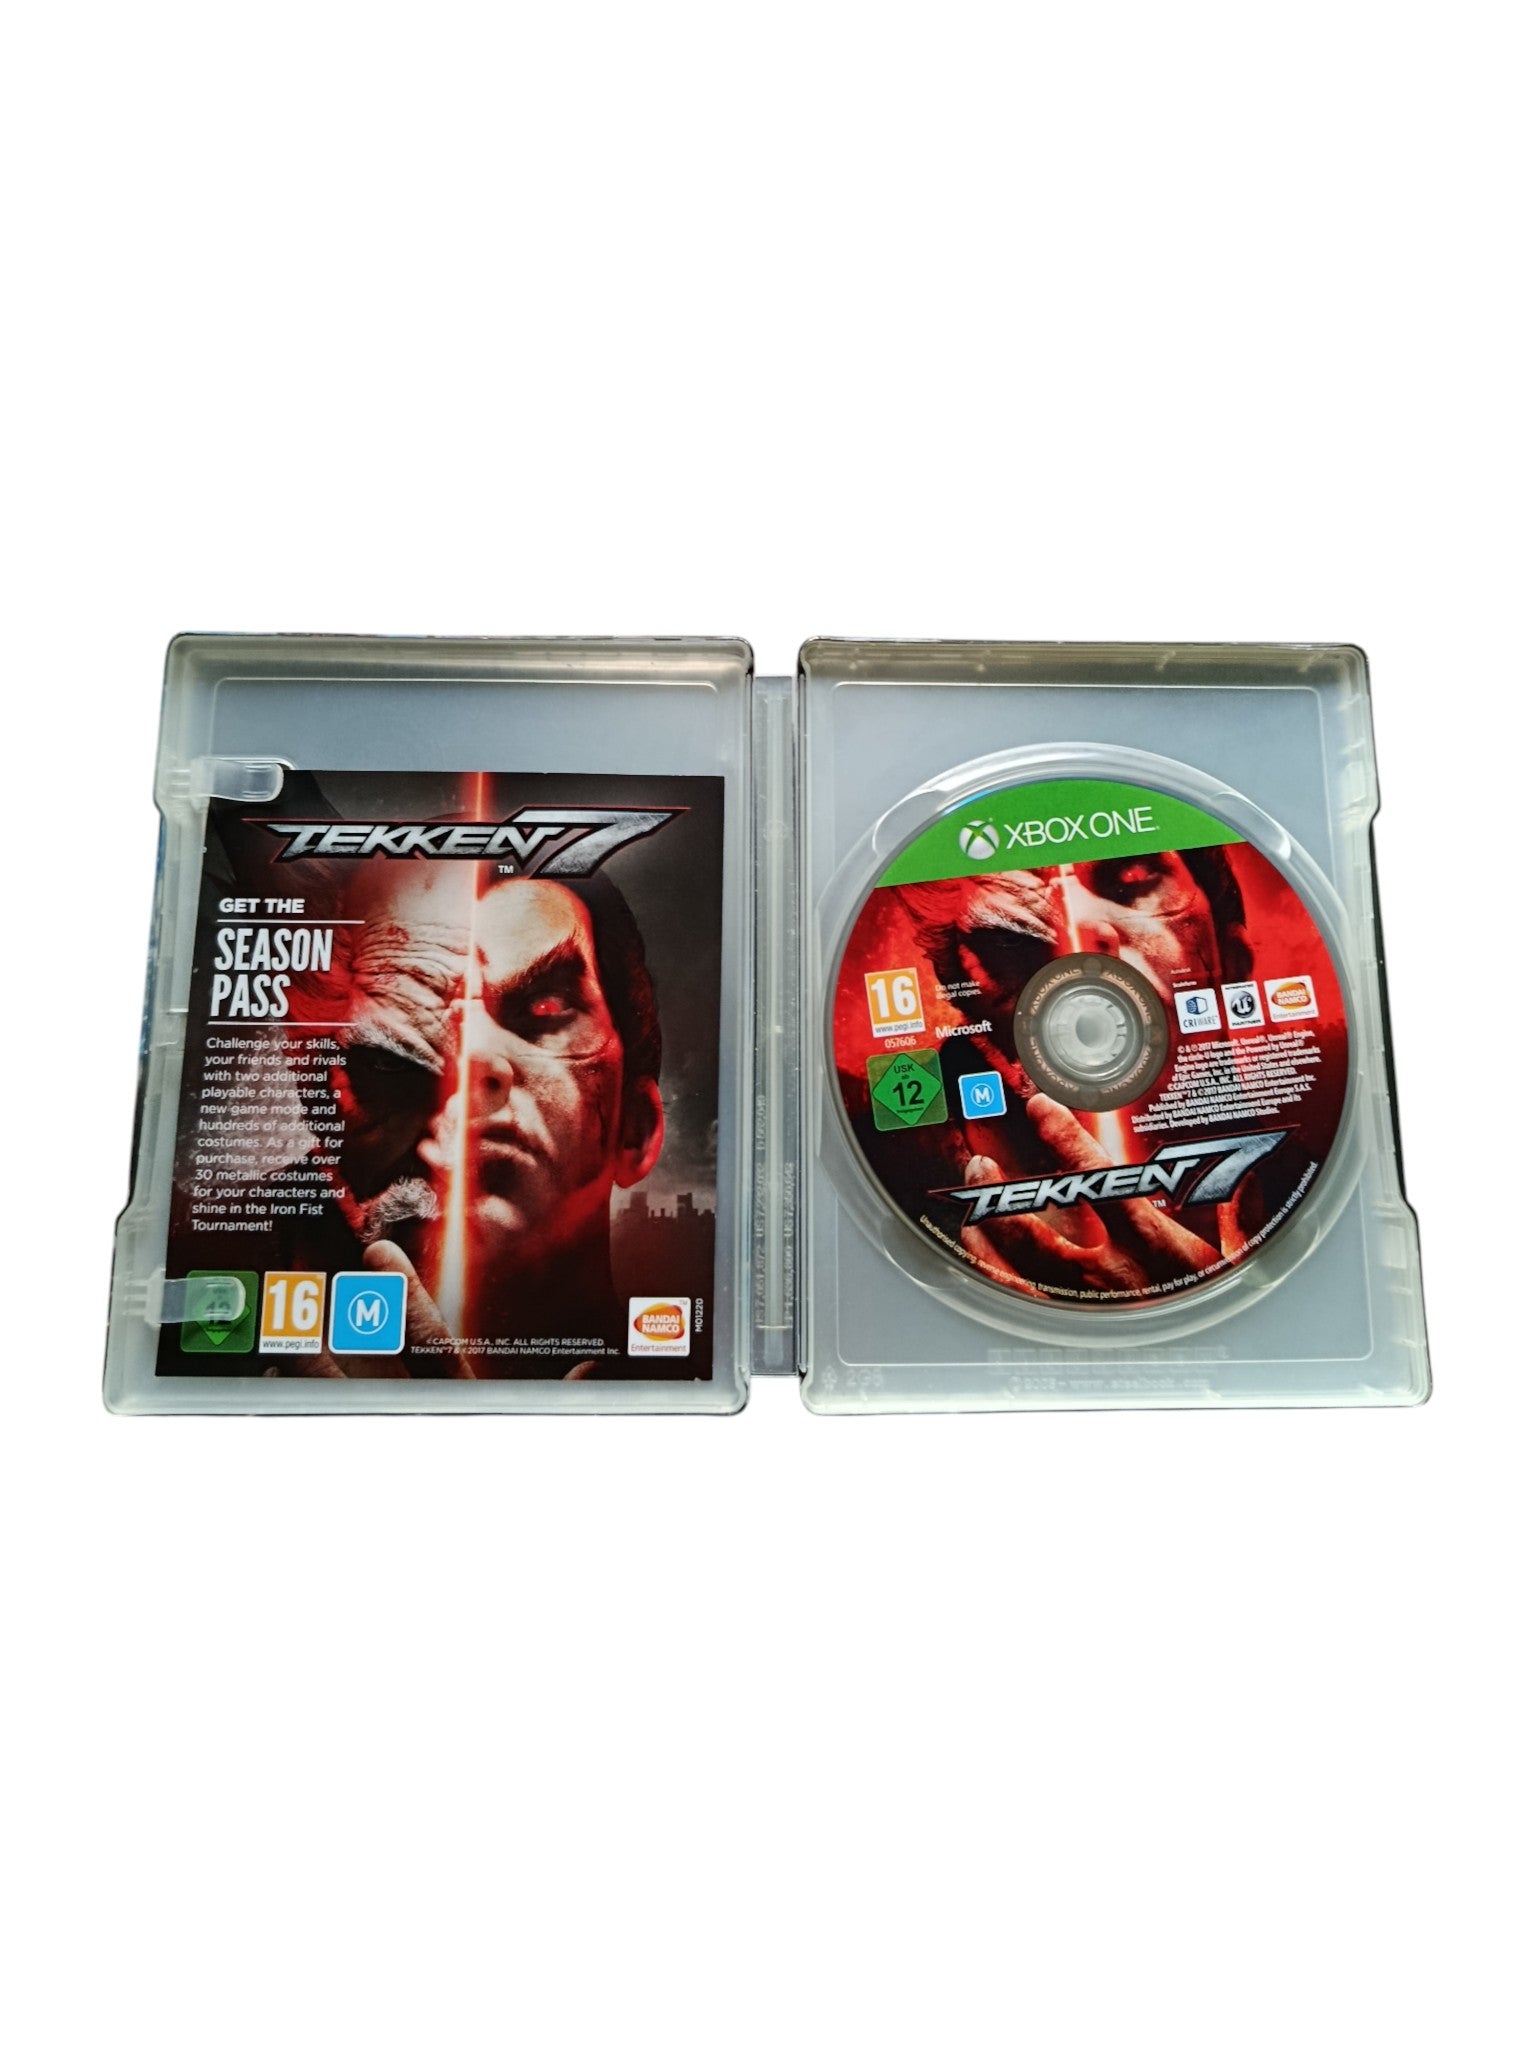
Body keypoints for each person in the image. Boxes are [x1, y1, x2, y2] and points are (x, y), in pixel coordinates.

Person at [198, 864, 668, 1377]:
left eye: (544, 1008)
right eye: (387, 1064)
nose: (465, 1063)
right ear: (322, 1117)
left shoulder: (687, 1368)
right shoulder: (205, 1294)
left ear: (636, 1129)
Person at [888, 848, 1258, 1302]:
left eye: (1133, 878)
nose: (1077, 933)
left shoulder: (1303, 1191)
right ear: (969, 1006)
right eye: (1010, 941)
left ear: (1233, 963)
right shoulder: (900, 1201)